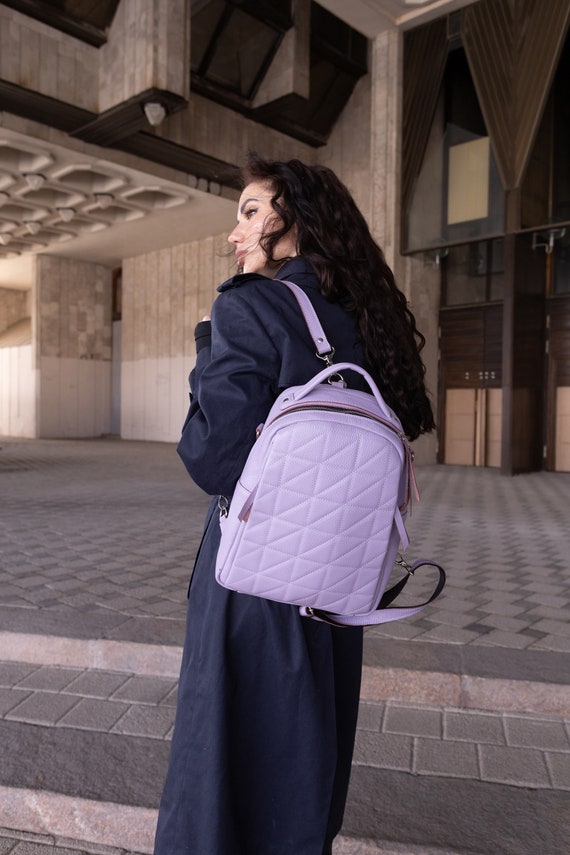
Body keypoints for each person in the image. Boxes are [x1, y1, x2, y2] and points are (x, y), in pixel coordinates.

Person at [153, 153, 435, 855]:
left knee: (225, 762)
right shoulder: (366, 322)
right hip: (338, 579)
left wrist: (208, 342)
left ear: (295, 221)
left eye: (251, 212)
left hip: (254, 578)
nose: (235, 233)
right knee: (304, 761)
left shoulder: (250, 306)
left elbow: (210, 457)